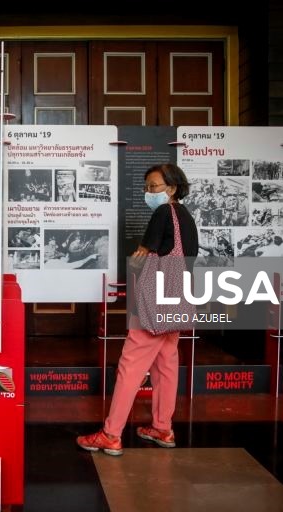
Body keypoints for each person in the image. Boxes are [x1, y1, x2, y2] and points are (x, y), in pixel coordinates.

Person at [77, 163, 198, 456]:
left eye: (153, 186)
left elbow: (142, 257)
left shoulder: (162, 213)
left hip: (157, 297)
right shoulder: (185, 216)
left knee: (131, 364)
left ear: (171, 188)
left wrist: (138, 261)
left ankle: (111, 433)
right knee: (167, 363)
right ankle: (162, 427)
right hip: (181, 295)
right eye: (146, 187)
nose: (148, 192)